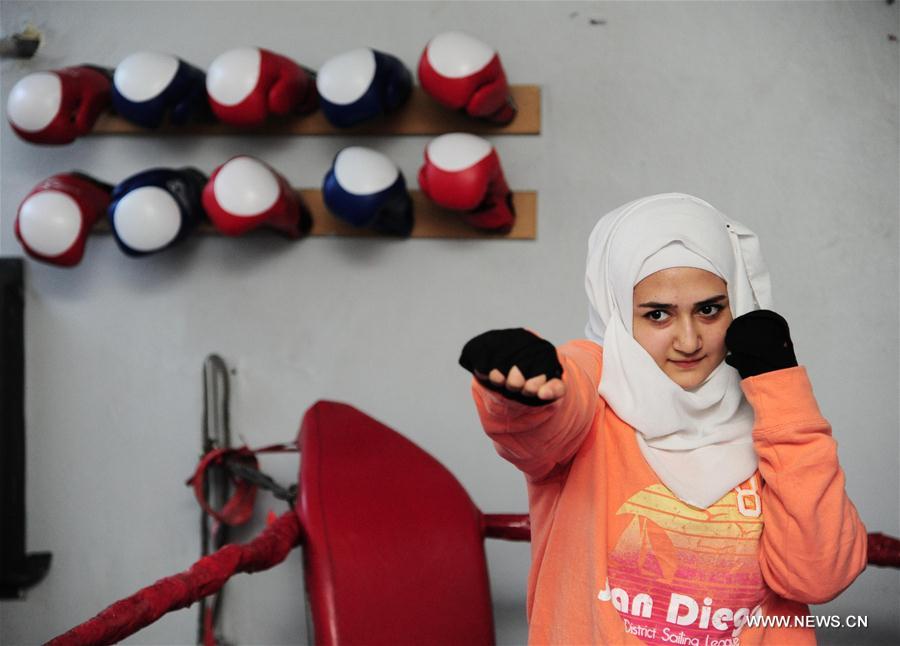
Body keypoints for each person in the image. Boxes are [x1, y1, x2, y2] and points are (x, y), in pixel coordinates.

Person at [458, 193, 867, 645]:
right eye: (657, 314)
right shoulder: (591, 396)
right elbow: (551, 417)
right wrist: (525, 392)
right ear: (617, 313)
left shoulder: (774, 417)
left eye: (709, 309)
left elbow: (818, 576)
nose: (689, 341)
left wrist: (781, 388)